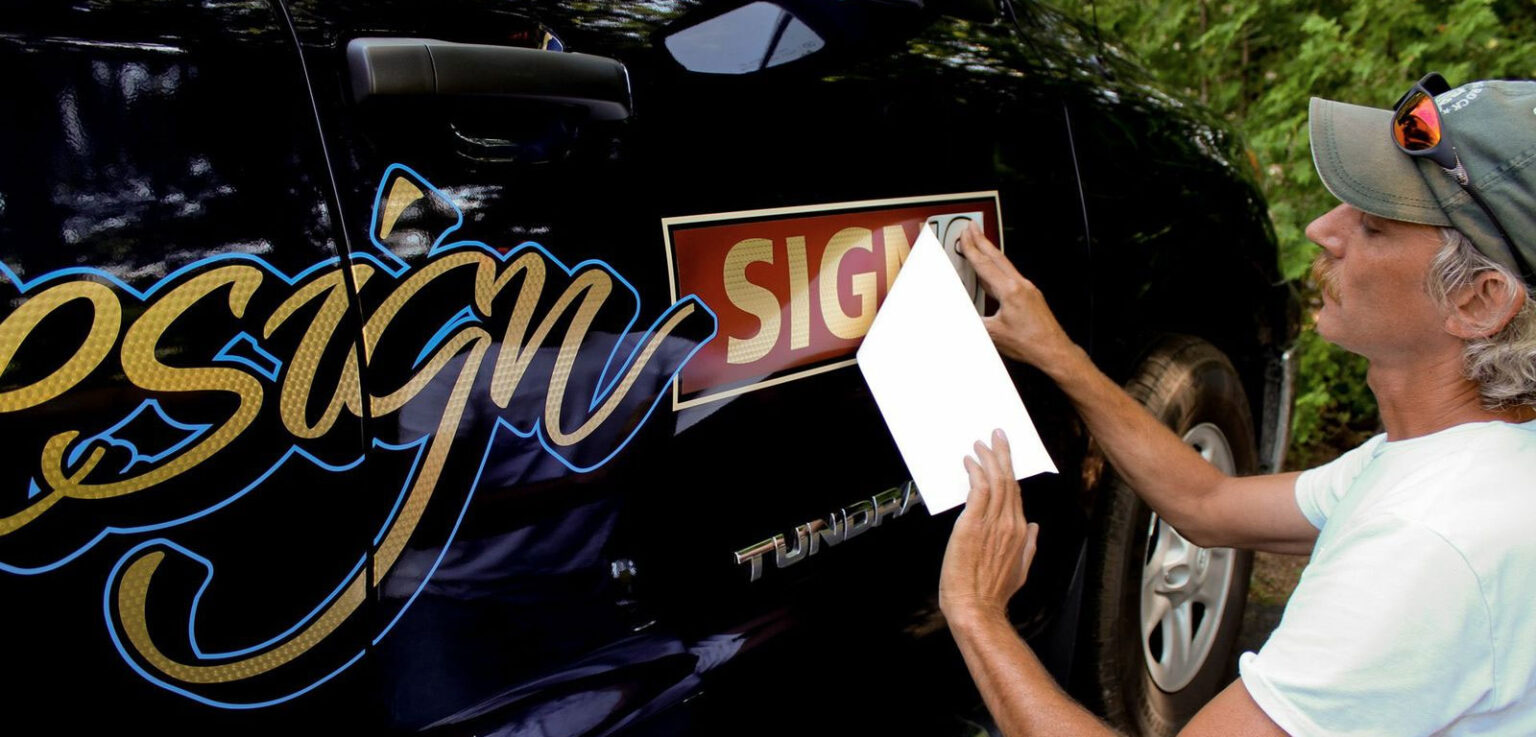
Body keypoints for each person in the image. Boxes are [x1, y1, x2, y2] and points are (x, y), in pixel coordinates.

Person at [938, 74, 1536, 736]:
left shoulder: (1426, 543)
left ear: (1478, 300)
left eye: (1371, 224)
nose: (1322, 229)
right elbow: (1208, 505)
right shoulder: (1463, 454)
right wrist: (1059, 355)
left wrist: (975, 613)